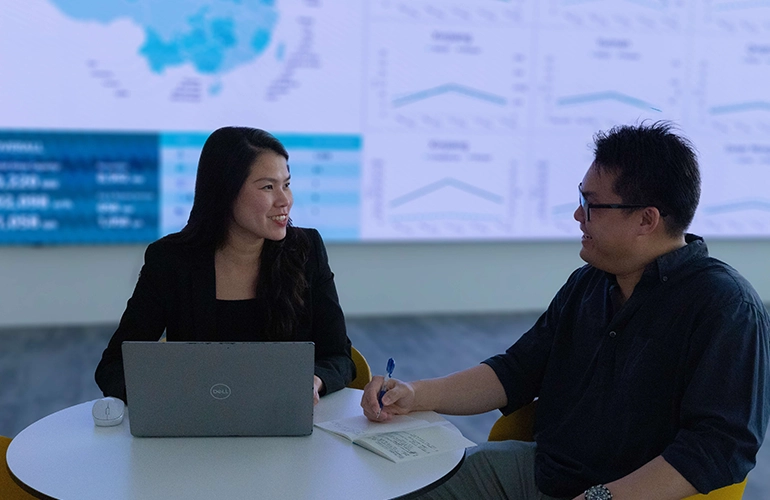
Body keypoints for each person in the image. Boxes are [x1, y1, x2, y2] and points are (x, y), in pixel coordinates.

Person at [361, 121, 770, 500]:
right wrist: (415, 394)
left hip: (629, 495)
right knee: (399, 485)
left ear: (647, 219)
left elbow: (719, 447)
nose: (578, 215)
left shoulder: (725, 307)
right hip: (547, 474)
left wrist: (601, 498)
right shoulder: (589, 283)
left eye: (592, 205)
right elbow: (515, 372)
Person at [96, 126, 355, 405]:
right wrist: (164, 398)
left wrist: (315, 379)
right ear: (225, 191)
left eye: (287, 185)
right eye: (268, 187)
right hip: (198, 425)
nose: (285, 201)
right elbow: (114, 365)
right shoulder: (170, 260)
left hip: (285, 422)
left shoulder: (306, 250)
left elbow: (339, 356)